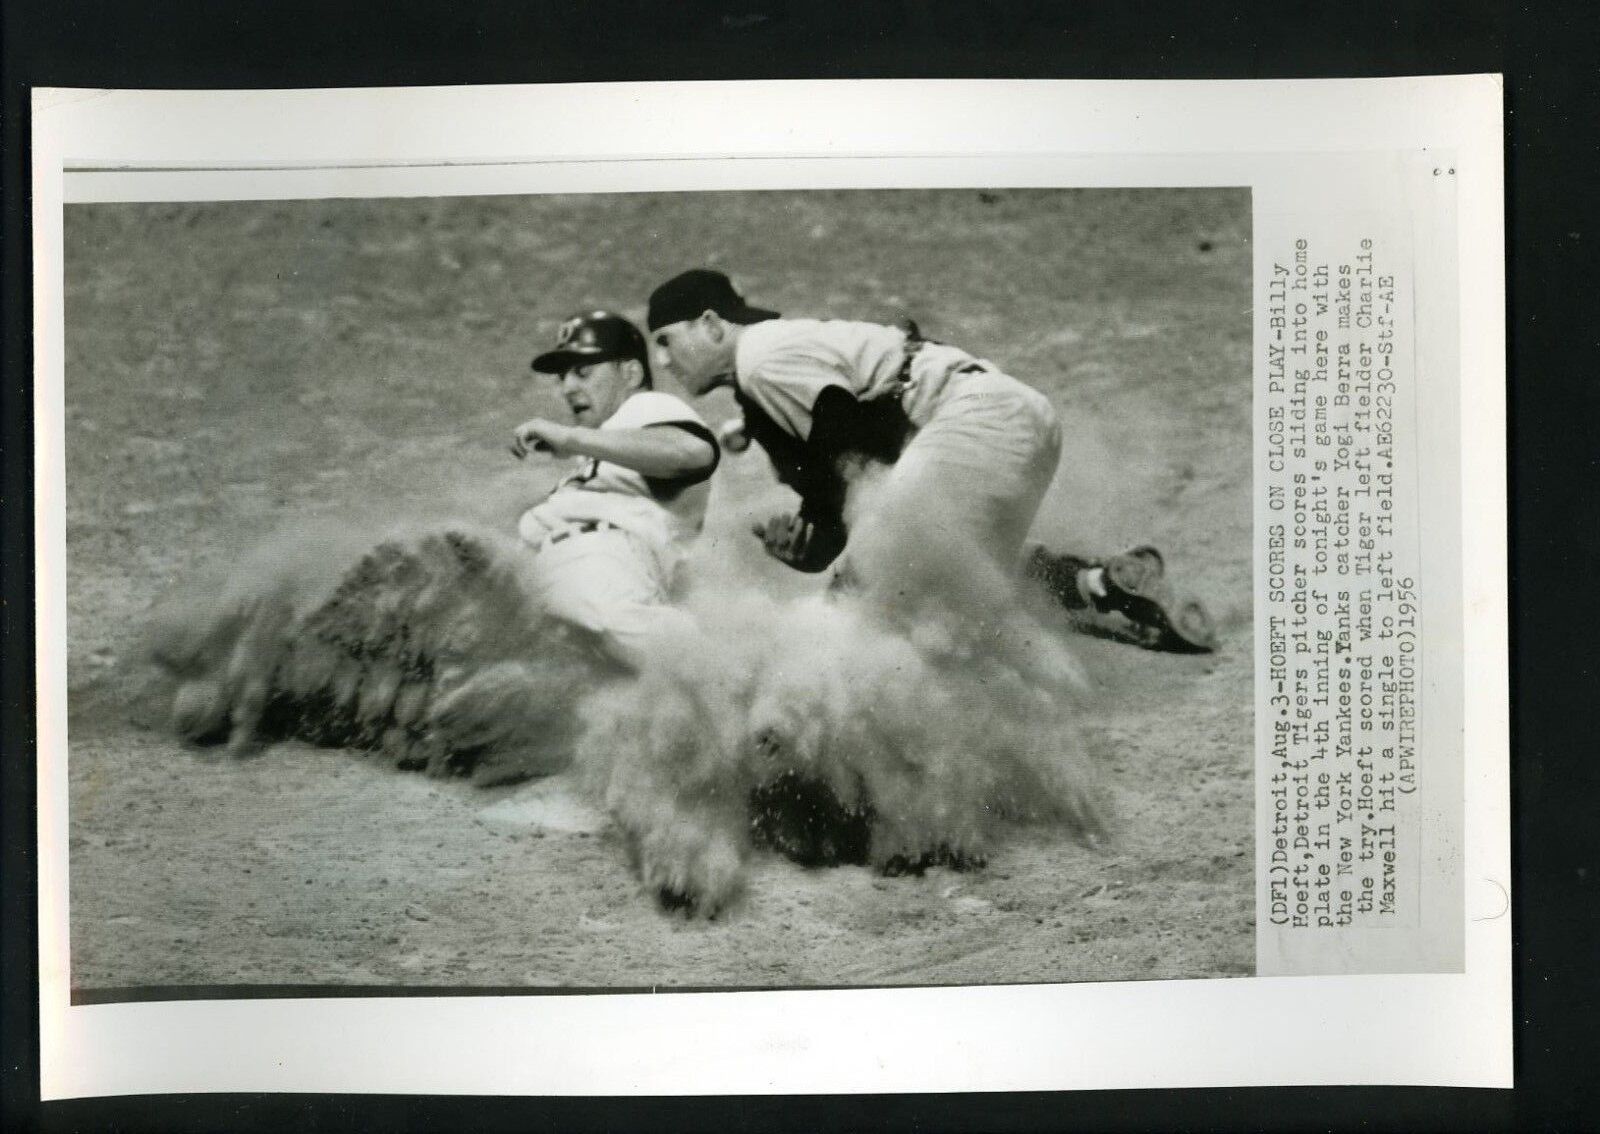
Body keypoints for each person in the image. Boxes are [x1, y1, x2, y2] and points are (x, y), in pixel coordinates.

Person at [645, 269, 1214, 651]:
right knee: (950, 585)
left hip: (973, 422)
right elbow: (863, 463)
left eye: (667, 340)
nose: (664, 360)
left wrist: (824, 534)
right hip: (1013, 420)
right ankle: (1103, 589)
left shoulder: (761, 360)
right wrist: (813, 542)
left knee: (862, 612)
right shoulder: (775, 359)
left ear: (712, 324)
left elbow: (849, 450)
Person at [510, 309, 720, 668]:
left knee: (610, 625)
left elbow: (694, 452)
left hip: (603, 570)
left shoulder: (646, 405)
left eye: (583, 371)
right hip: (551, 577)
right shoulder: (605, 445)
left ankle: (734, 675)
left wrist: (571, 438)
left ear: (631, 373)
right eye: (562, 376)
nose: (568, 387)